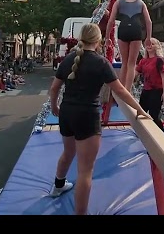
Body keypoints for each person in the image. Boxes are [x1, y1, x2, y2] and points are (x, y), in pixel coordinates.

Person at [48, 23, 150, 215]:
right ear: (98, 41)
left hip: (67, 113)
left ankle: (58, 185)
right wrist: (141, 110)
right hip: (87, 116)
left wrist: (55, 106)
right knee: (85, 171)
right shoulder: (101, 62)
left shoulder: (69, 58)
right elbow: (121, 91)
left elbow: (54, 88)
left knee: (68, 153)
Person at [105, 0, 152, 92]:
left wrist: (107, 37)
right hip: (136, 29)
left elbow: (111, 21)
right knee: (132, 63)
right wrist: (148, 38)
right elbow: (148, 21)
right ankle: (127, 90)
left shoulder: (119, 2)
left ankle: (120, 89)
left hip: (124, 29)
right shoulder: (140, 3)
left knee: (124, 63)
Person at [135, 37, 164, 131]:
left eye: (152, 44)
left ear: (157, 46)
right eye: (148, 44)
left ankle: (160, 134)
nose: (149, 46)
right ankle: (141, 131)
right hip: (146, 90)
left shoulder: (160, 60)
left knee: (154, 114)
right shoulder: (143, 61)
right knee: (140, 112)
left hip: (157, 90)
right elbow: (136, 72)